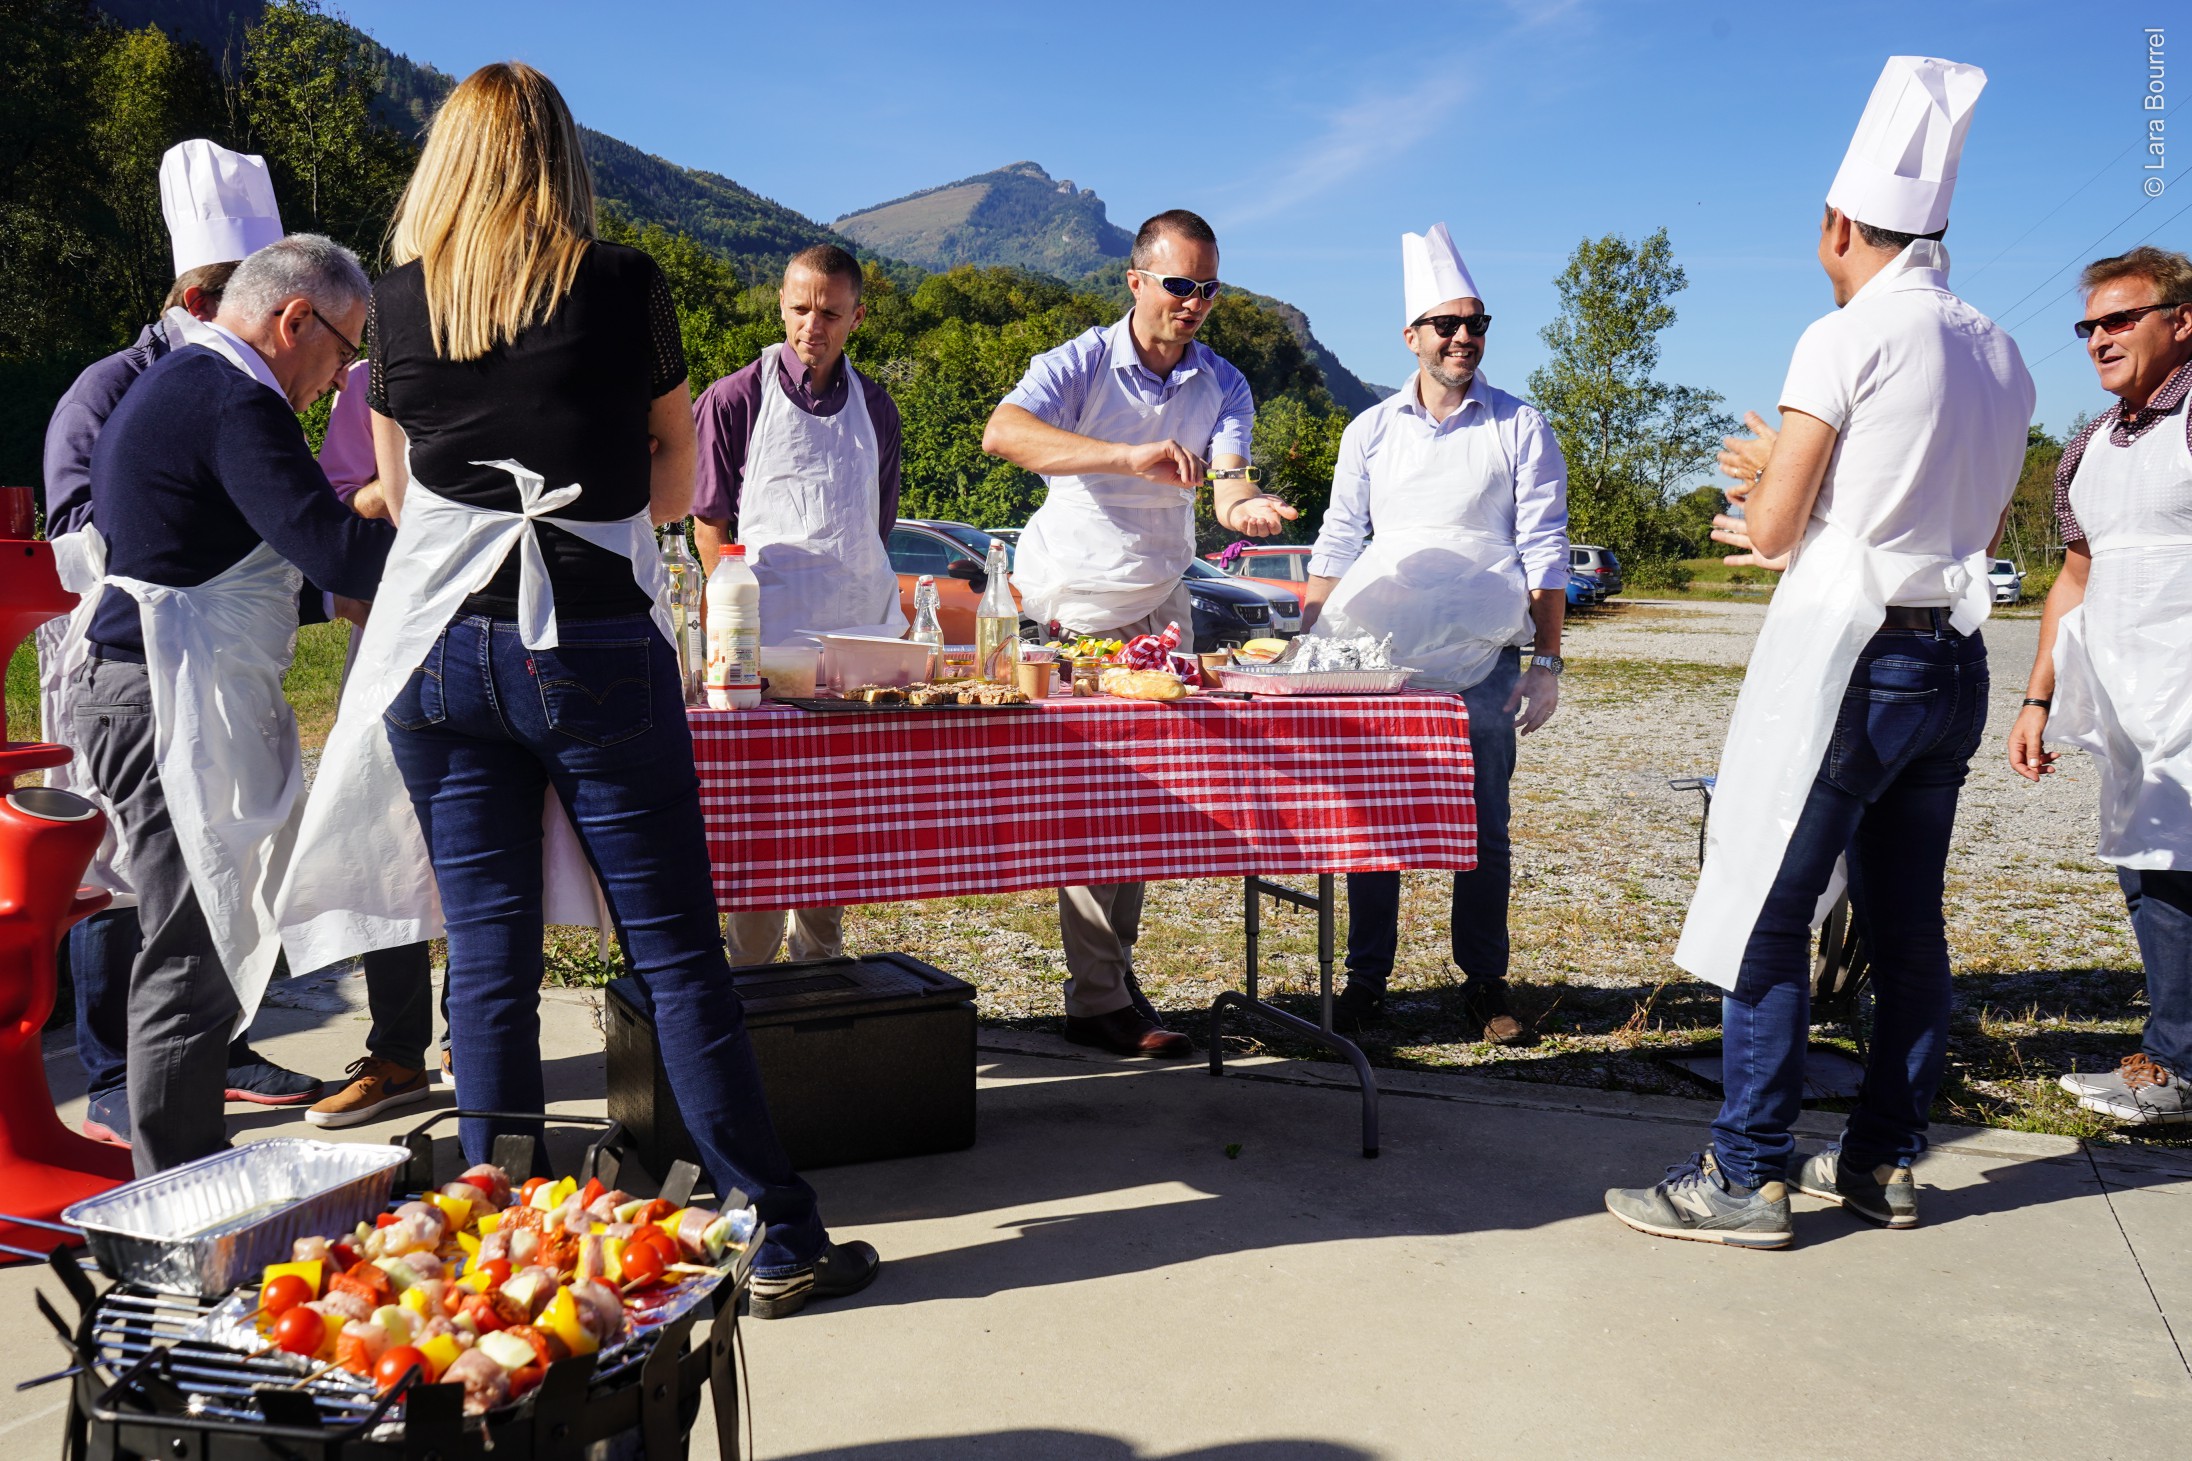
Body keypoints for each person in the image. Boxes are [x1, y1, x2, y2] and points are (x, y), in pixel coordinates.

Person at [279, 62, 876, 1319]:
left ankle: (493, 1239)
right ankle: (772, 1234)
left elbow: (404, 492)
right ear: (560, 158)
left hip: (440, 648)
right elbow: (669, 481)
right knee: (671, 954)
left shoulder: (394, 304)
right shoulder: (620, 286)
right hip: (591, 640)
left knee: (486, 954)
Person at [1605, 56, 2033, 1247]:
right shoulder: (2001, 351)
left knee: (1767, 908)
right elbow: (1980, 526)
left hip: (1855, 658)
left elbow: (1780, 527)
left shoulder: (1841, 336)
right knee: (1907, 928)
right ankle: (1884, 1160)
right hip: (1950, 657)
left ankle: (1743, 1174)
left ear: (1840, 222)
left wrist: (1755, 499)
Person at [74, 232, 395, 1175]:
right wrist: (440, 534)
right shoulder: (232, 399)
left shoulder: (192, 384)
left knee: (197, 936)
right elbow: (330, 550)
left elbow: (228, 562)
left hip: (157, 679)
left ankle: (186, 1160)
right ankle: (177, 1192)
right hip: (160, 694)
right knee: (191, 945)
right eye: (342, 354)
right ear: (296, 319)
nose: (337, 383)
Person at [40, 140, 324, 1150]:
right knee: (143, 890)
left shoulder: (235, 385)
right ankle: (124, 1079)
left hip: (211, 662)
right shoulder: (120, 388)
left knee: (203, 901)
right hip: (137, 659)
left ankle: (205, 1064)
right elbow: (83, 533)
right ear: (205, 300)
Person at [982, 209, 1293, 1058]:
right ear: (1137, 281)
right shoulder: (1080, 361)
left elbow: (1228, 484)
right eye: (1180, 284)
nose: (1194, 302)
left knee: (1145, 801)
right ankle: (1097, 997)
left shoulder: (1223, 383)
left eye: (1209, 288)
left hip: (1163, 604)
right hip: (1076, 603)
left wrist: (1247, 508)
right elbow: (1002, 432)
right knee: (1095, 800)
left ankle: (1109, 980)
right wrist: (1125, 455)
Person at [1301, 223, 1569, 1041]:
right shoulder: (1370, 431)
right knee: (1373, 821)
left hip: (1485, 661)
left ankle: (1485, 984)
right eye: (1447, 324)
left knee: (1482, 824)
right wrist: (1312, 647)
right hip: (1383, 661)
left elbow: (1545, 545)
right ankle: (1366, 983)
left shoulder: (1520, 427)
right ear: (1411, 336)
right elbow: (1340, 540)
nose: (1463, 338)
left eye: (1476, 323)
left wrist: (1547, 660)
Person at [2009, 245, 2192, 1127]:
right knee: (2149, 873)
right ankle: (2170, 1057)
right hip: (2128, 702)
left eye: (2122, 318)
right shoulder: (2088, 446)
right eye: (2089, 325)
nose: (2099, 338)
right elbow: (2073, 579)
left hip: (2189, 689)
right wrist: (2038, 696)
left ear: (2181, 321)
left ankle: (2176, 1066)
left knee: (2179, 876)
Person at [691, 243, 905, 968]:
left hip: (852, 641)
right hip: (762, 639)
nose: (813, 324)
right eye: (801, 307)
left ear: (857, 318)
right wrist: (729, 619)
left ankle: (824, 969)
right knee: (760, 811)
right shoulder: (734, 398)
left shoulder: (877, 407)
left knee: (833, 813)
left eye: (831, 312)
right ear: (781, 302)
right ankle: (747, 973)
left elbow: (875, 524)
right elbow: (710, 523)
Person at [303, 358, 451, 1128]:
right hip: (395, 635)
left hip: (503, 629)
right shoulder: (373, 373)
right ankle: (398, 1054)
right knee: (382, 840)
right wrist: (391, 492)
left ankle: (478, 1035)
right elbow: (330, 509)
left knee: (497, 839)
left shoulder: (527, 338)